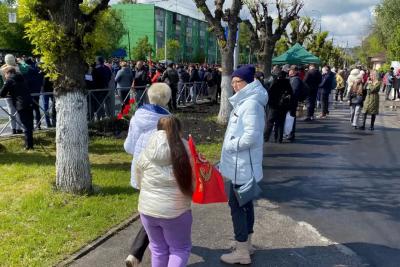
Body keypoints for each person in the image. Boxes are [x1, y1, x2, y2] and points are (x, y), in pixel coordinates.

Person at [219, 65, 268, 265]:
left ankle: (241, 251)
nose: (233, 85)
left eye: (236, 82)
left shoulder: (251, 105)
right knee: (245, 205)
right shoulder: (247, 101)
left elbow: (252, 136)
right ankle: (246, 244)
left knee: (237, 206)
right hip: (241, 165)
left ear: (246, 82)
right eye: (232, 82)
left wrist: (230, 145)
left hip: (242, 167)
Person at [124, 83, 172, 267]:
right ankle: (138, 252)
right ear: (167, 99)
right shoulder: (169, 121)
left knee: (149, 210)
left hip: (139, 170)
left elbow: (129, 147)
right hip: (160, 173)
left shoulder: (137, 117)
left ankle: (140, 251)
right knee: (156, 212)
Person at [135, 116, 193, 267]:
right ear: (179, 130)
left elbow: (139, 179)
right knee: (179, 249)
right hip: (176, 211)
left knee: (158, 249)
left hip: (147, 210)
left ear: (158, 130)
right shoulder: (187, 149)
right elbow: (195, 178)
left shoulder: (147, 149)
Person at [0, 67, 34, 149]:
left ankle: (28, 146)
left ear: (8, 73)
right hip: (29, 102)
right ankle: (30, 144)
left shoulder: (9, 80)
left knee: (26, 125)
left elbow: (2, 94)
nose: (5, 76)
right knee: (29, 125)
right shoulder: (22, 78)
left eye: (5, 74)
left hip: (21, 104)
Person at [264, 70, 293, 143]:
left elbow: (270, 93)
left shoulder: (275, 83)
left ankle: (266, 138)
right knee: (280, 122)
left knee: (270, 122)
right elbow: (291, 94)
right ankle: (279, 138)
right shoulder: (287, 83)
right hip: (283, 106)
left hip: (273, 106)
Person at [0, 54, 23, 134]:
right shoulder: (18, 68)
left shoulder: (2, 69)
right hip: (17, 92)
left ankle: (13, 129)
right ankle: (19, 128)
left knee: (11, 112)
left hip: (7, 92)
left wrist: (5, 65)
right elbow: (25, 68)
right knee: (18, 111)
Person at [288, 65, 303, 141]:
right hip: (292, 101)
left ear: (294, 71)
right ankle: (289, 133)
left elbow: (294, 91)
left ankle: (291, 134)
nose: (289, 71)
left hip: (292, 102)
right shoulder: (293, 79)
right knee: (290, 117)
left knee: (291, 118)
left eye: (290, 70)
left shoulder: (295, 79)